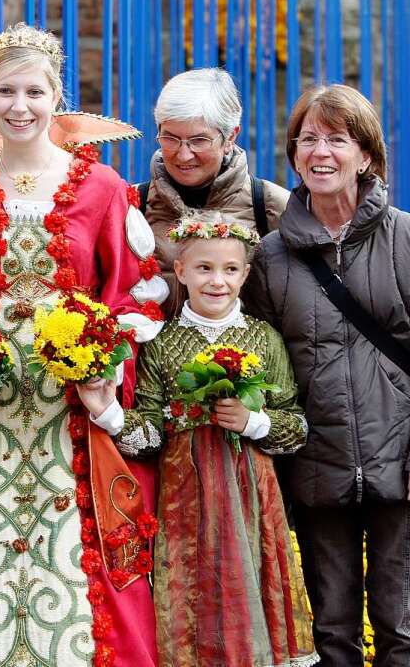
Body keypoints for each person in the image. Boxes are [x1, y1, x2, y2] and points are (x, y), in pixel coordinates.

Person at [0, 24, 169, 667]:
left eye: (34, 91)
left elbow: (131, 293)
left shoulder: (103, 188)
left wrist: (100, 364)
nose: (19, 106)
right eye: (5, 91)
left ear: (56, 97)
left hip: (73, 409)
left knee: (75, 553)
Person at [243, 84, 410, 666]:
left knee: (400, 632)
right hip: (316, 463)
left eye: (337, 140)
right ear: (294, 155)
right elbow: (265, 365)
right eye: (308, 139)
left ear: (365, 155)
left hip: (404, 464)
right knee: (333, 633)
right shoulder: (272, 256)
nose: (321, 152)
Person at [134, 211, 317, 667]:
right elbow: (149, 423)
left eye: (230, 269)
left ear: (246, 274)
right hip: (183, 493)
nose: (217, 281)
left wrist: (252, 421)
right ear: (180, 271)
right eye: (204, 268)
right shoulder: (161, 342)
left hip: (249, 490)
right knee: (192, 582)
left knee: (244, 579)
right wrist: (112, 414)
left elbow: (294, 423)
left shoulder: (263, 339)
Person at [143, 68, 289, 317]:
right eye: (170, 138)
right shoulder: (133, 205)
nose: (184, 154)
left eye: (199, 140)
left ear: (231, 136)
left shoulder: (271, 206)